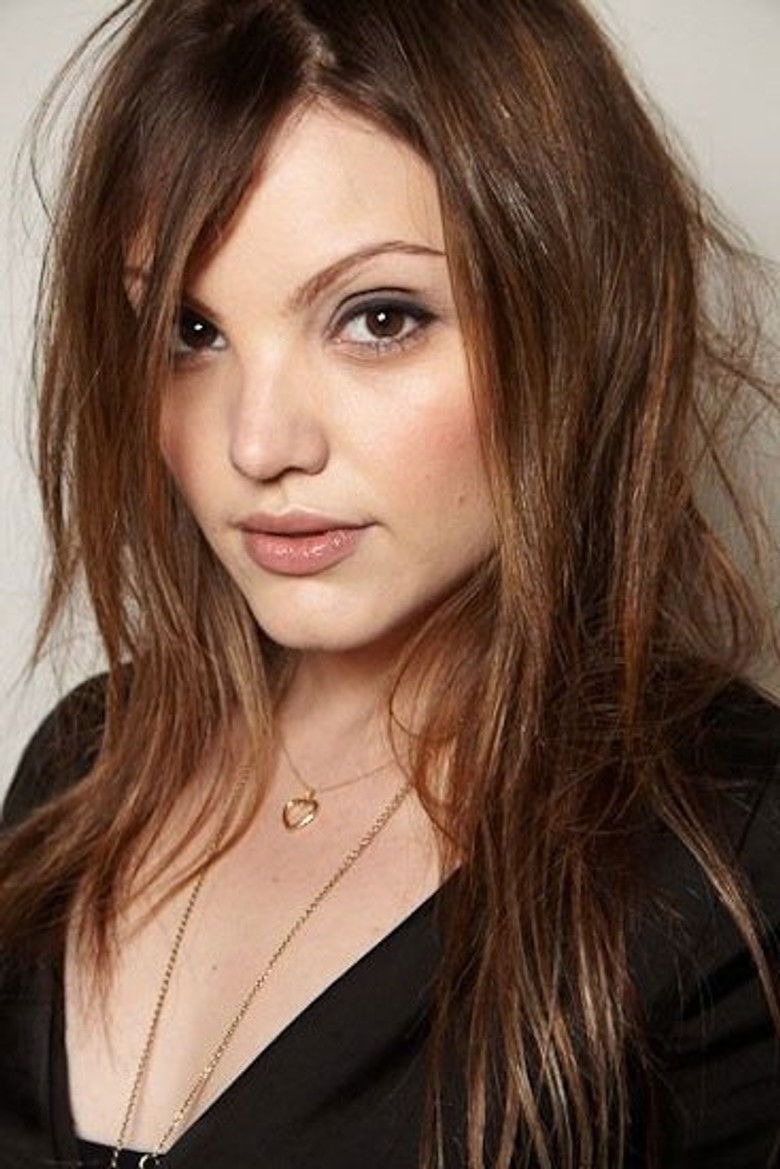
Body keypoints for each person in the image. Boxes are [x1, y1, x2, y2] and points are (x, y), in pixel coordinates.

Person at [1, 0, 780, 1166]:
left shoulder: (729, 850)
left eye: (378, 317)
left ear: (573, 320)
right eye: (191, 332)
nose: (257, 443)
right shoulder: (86, 759)